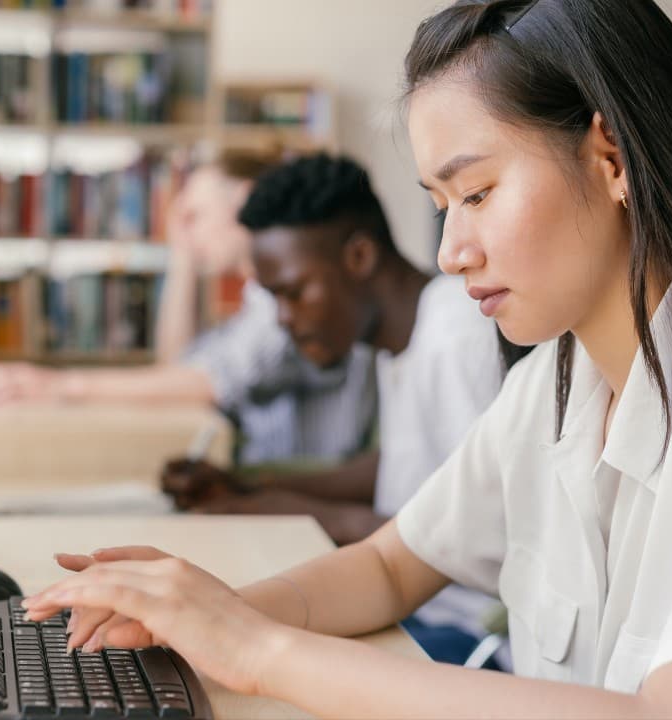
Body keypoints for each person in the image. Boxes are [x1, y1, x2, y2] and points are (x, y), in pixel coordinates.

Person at [21, 1, 672, 718]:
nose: (453, 248)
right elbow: (387, 567)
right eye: (441, 203)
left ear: (611, 156)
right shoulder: (554, 383)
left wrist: (260, 653)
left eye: (479, 192)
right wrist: (206, 614)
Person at [160, 154, 517, 666]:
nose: (284, 318)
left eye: (294, 292)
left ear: (359, 257)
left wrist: (285, 509)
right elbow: (403, 469)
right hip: (418, 610)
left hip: (469, 634)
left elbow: (475, 537)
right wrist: (252, 486)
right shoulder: (398, 339)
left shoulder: (456, 337)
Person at [0, 152, 377, 465]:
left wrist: (58, 386)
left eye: (194, 214)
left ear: (247, 200)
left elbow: (208, 383)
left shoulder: (289, 303)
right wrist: (183, 255)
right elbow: (179, 365)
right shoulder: (257, 302)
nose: (183, 227)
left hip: (297, 488)